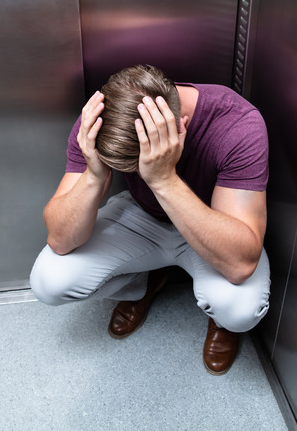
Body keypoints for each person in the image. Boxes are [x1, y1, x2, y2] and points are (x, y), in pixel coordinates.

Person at [30, 65, 270, 375]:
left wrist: (164, 179)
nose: (133, 175)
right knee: (49, 281)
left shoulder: (236, 124)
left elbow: (240, 265)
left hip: (210, 222)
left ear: (178, 126)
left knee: (239, 309)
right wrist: (94, 172)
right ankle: (142, 284)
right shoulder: (101, 117)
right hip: (141, 217)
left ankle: (220, 320)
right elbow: (60, 240)